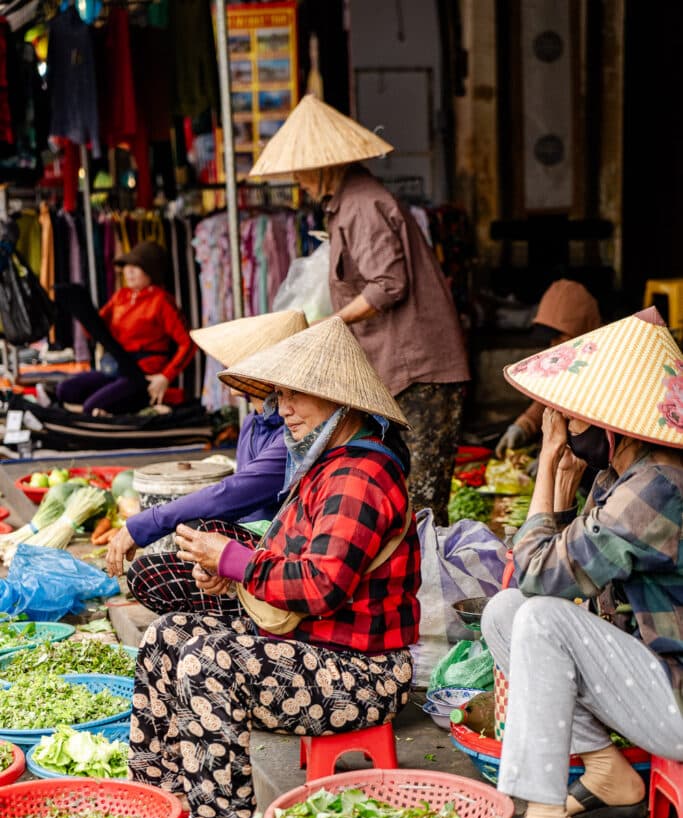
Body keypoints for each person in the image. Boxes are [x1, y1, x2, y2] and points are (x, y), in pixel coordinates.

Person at [129, 317, 420, 818]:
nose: (282, 408)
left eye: (296, 395)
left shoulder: (360, 476)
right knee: (164, 636)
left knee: (206, 662)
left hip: (365, 674)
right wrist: (230, 574)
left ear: (340, 400)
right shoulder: (323, 466)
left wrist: (236, 560)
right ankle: (163, 794)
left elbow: (321, 587)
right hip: (314, 646)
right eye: (281, 394)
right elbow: (293, 560)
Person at [463, 306, 683, 818]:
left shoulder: (660, 486)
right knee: (505, 611)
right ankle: (610, 776)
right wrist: (560, 500)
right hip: (659, 677)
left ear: (614, 419)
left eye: (573, 412)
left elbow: (543, 578)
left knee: (535, 614)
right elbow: (544, 578)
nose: (563, 423)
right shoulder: (624, 475)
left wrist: (545, 469)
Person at [249, 94, 470, 526]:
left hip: (418, 368)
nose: (296, 178)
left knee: (422, 503)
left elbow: (389, 284)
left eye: (300, 168)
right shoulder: (345, 204)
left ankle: (428, 591)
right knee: (400, 496)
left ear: (322, 164)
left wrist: (332, 323)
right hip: (396, 368)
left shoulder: (363, 204)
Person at [106, 311, 305, 615]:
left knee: (203, 527)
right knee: (146, 574)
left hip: (282, 560)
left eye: (238, 360)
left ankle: (252, 617)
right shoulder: (253, 423)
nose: (226, 368)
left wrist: (148, 523)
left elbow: (232, 493)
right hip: (248, 548)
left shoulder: (292, 436)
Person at [56, 241, 195, 416]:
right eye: (127, 266)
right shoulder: (121, 296)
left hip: (141, 375)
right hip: (115, 368)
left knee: (92, 407)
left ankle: (139, 408)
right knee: (64, 391)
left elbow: (188, 343)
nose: (128, 271)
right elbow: (94, 329)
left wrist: (166, 377)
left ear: (150, 270)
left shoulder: (161, 301)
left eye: (136, 267)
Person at [495, 279, 601, 458]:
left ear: (582, 331)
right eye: (550, 339)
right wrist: (523, 425)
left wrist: (560, 458)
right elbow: (550, 397)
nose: (553, 346)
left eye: (559, 338)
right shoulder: (563, 358)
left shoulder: (607, 368)